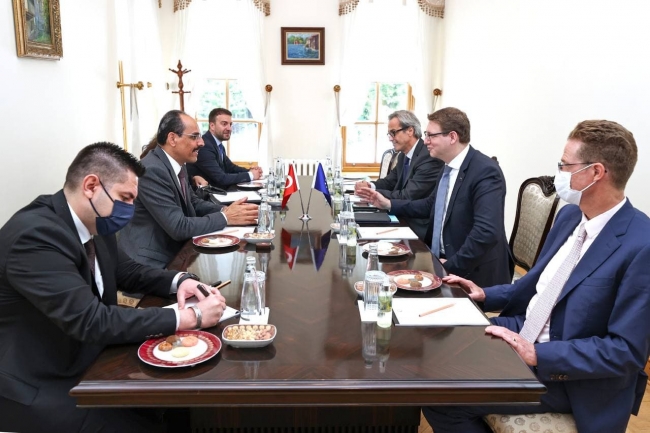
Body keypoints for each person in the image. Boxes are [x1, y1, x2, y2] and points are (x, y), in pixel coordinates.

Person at [424, 119, 650, 433]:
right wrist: (485, 294)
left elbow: (625, 351)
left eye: (564, 165)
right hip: (524, 328)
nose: (558, 173)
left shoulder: (641, 245)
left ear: (596, 172)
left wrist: (536, 353)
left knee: (441, 398)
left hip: (570, 376)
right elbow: (537, 287)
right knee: (437, 350)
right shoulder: (570, 216)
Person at [0, 142, 228, 432]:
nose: (130, 210)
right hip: (41, 382)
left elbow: (128, 271)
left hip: (91, 357)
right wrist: (190, 317)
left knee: (175, 403)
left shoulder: (94, 220)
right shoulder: (36, 236)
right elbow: (91, 320)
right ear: (91, 186)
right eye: (125, 198)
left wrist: (181, 280)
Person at [362, 107, 512, 287]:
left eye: (431, 136)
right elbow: (430, 205)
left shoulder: (485, 171)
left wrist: (449, 266)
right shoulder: (447, 167)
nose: (425, 141)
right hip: (442, 259)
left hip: (474, 272)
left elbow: (486, 232)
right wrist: (388, 204)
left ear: (452, 137)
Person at [119, 110, 258, 268]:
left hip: (178, 251)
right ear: (173, 139)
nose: (202, 143)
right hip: (150, 263)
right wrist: (226, 217)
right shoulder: (151, 170)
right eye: (194, 137)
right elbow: (178, 227)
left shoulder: (178, 164)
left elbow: (194, 203)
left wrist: (227, 210)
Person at [355, 110, 443, 238]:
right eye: (389, 134)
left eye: (393, 133)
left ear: (410, 131)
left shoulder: (428, 157)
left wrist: (373, 194)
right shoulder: (403, 155)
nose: (391, 138)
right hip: (400, 216)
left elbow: (408, 195)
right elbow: (390, 181)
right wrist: (370, 186)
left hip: (417, 224)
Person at [187, 107, 263, 188]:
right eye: (224, 124)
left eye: (230, 124)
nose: (229, 128)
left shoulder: (218, 145)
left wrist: (251, 171)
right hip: (208, 194)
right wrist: (251, 175)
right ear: (212, 126)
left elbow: (231, 167)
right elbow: (221, 178)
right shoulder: (205, 146)